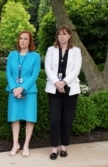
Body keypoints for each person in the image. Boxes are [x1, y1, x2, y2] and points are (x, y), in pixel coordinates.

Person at [44, 25, 82, 160]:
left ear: (69, 36)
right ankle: (54, 148)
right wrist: (56, 82)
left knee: (67, 119)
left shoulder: (76, 51)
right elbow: (47, 67)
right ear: (57, 36)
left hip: (70, 89)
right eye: (60, 34)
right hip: (54, 89)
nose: (62, 36)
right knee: (54, 119)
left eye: (65, 34)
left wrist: (64, 82)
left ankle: (64, 146)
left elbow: (76, 69)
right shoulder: (51, 50)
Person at [6, 30, 41, 157]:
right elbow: (8, 73)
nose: (23, 41)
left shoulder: (35, 56)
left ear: (30, 41)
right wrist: (14, 88)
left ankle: (26, 145)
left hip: (29, 92)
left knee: (29, 119)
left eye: (26, 39)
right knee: (14, 118)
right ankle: (15, 144)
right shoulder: (12, 55)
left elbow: (35, 75)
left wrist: (22, 88)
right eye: (21, 38)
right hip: (13, 91)